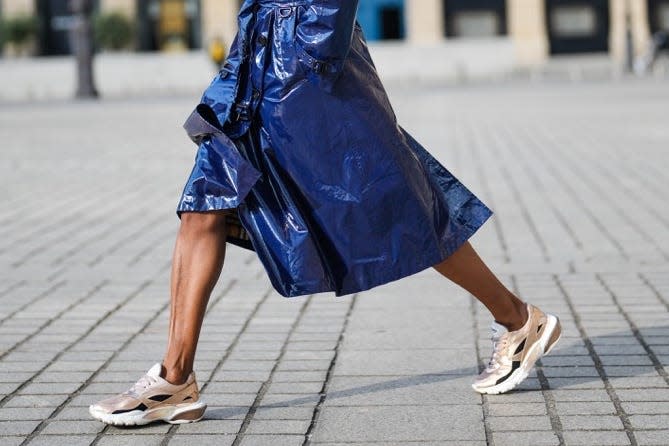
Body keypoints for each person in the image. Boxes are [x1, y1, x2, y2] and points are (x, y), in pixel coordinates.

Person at [89, 0, 561, 426]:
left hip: (311, 61)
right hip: (256, 55)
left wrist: (314, 46)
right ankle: (175, 378)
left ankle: (519, 319)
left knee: (397, 206)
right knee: (203, 204)